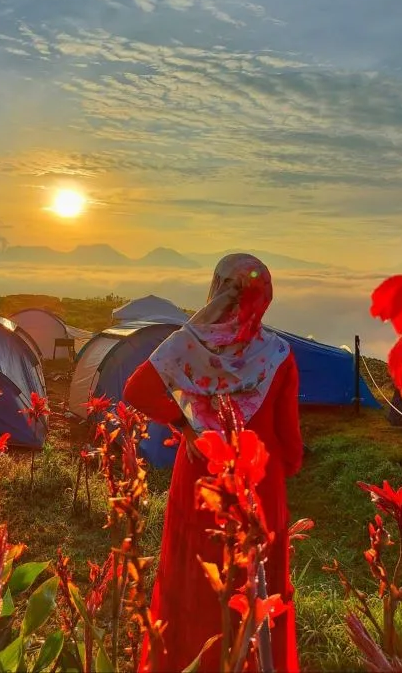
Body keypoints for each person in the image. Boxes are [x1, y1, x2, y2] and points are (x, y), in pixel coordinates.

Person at [123, 253, 303, 673]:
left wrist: (188, 428)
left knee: (193, 583)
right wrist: (283, 466)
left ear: (216, 289)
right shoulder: (278, 354)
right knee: (259, 586)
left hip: (200, 479)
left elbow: (137, 391)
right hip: (260, 482)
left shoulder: (188, 345)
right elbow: (291, 449)